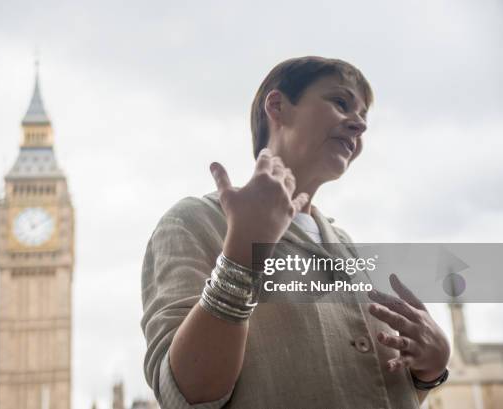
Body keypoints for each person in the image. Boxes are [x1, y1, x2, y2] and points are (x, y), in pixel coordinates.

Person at [140, 56, 450, 408]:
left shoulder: (351, 249)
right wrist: (241, 255)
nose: (359, 126)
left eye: (364, 117)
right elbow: (186, 393)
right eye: (341, 103)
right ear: (278, 106)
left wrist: (431, 369)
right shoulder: (193, 222)